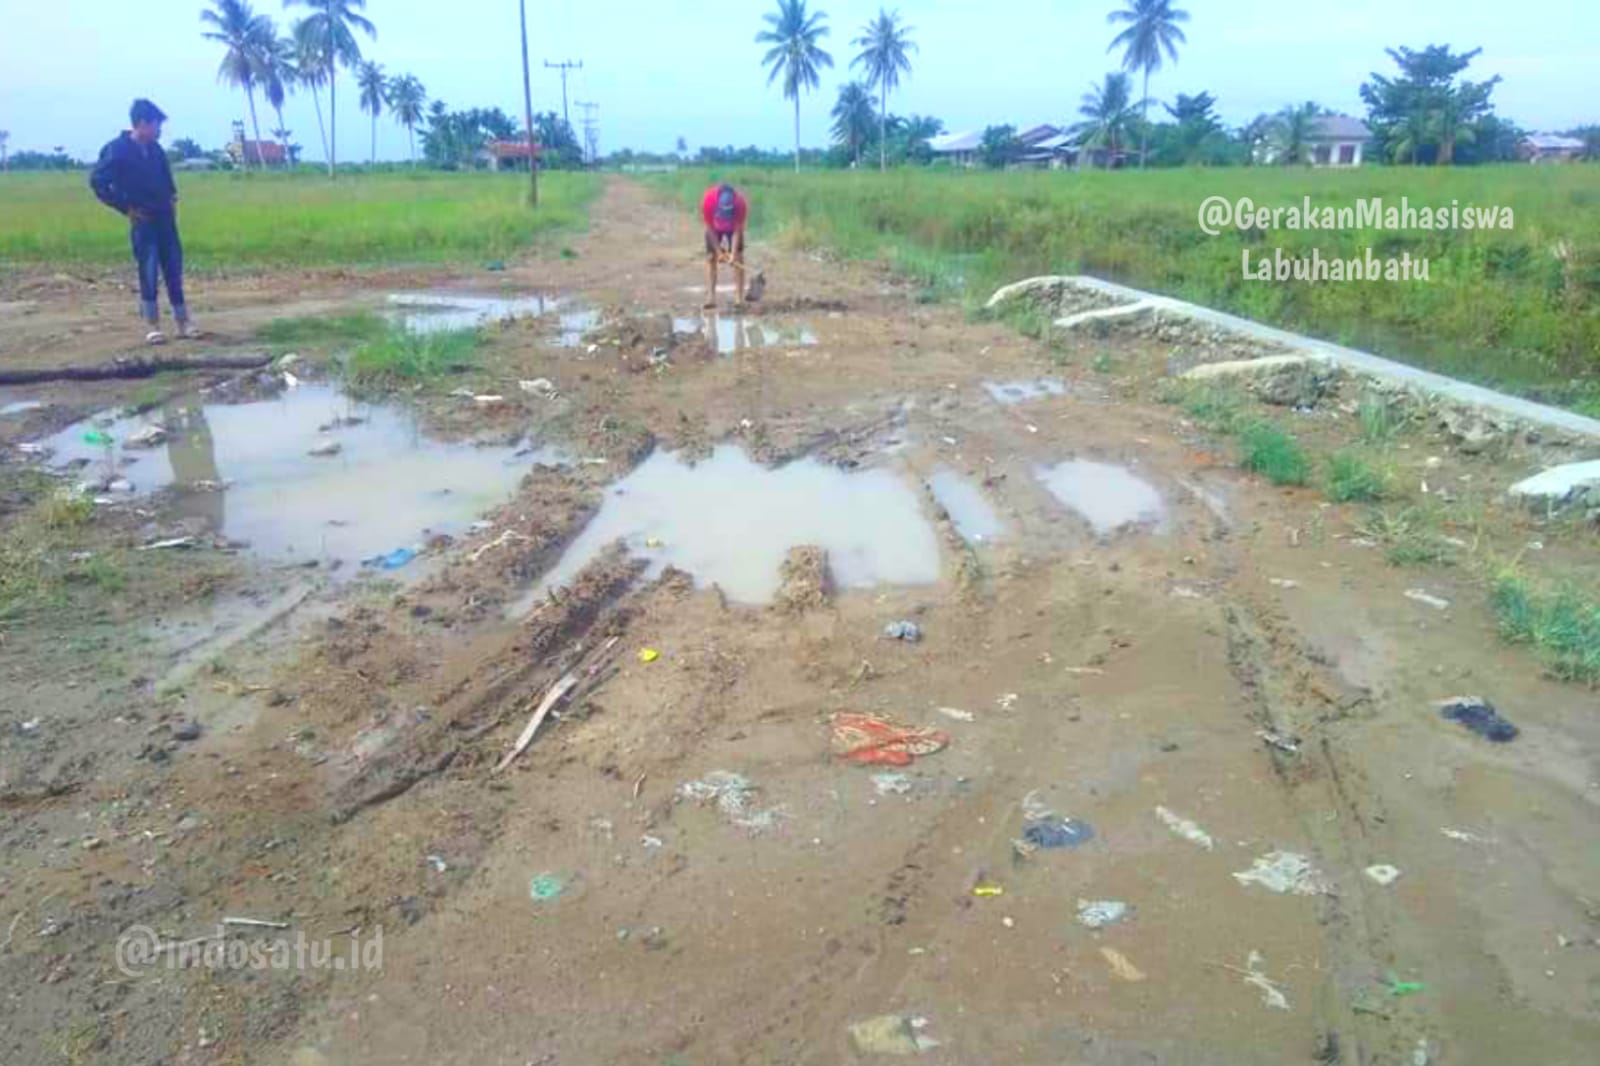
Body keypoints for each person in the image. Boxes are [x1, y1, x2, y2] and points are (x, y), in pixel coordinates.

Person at [91, 99, 196, 344]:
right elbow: (98, 182)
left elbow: (167, 179)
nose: (159, 130)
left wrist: (172, 197)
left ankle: (184, 322)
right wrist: (125, 207)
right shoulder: (117, 149)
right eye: (156, 125)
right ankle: (153, 325)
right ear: (142, 123)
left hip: (165, 219)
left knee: (173, 270)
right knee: (148, 271)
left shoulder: (156, 150)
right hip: (143, 219)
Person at [700, 181, 748, 311]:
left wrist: (732, 254)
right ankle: (711, 297)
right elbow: (709, 228)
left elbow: (737, 230)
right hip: (714, 227)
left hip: (732, 228)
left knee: (738, 257)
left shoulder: (740, 204)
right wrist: (719, 252)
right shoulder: (708, 201)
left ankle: (739, 297)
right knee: (711, 258)